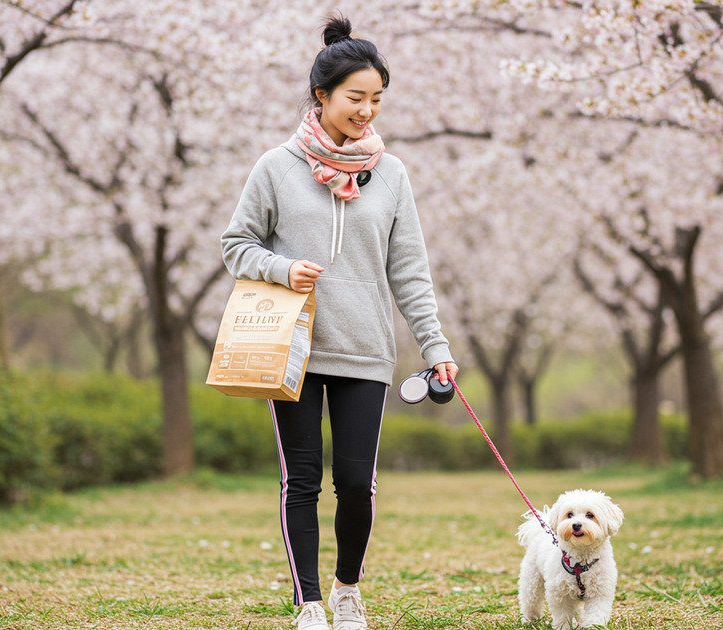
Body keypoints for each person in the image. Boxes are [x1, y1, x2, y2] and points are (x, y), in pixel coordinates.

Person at [220, 13, 458, 630]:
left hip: (364, 347)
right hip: (291, 348)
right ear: (321, 95)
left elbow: (410, 273)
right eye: (356, 97)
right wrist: (279, 268)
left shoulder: (392, 174)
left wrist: (436, 348)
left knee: (355, 481)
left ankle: (347, 588)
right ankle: (310, 603)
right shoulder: (277, 166)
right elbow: (236, 244)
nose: (367, 111)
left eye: (377, 99)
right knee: (302, 481)